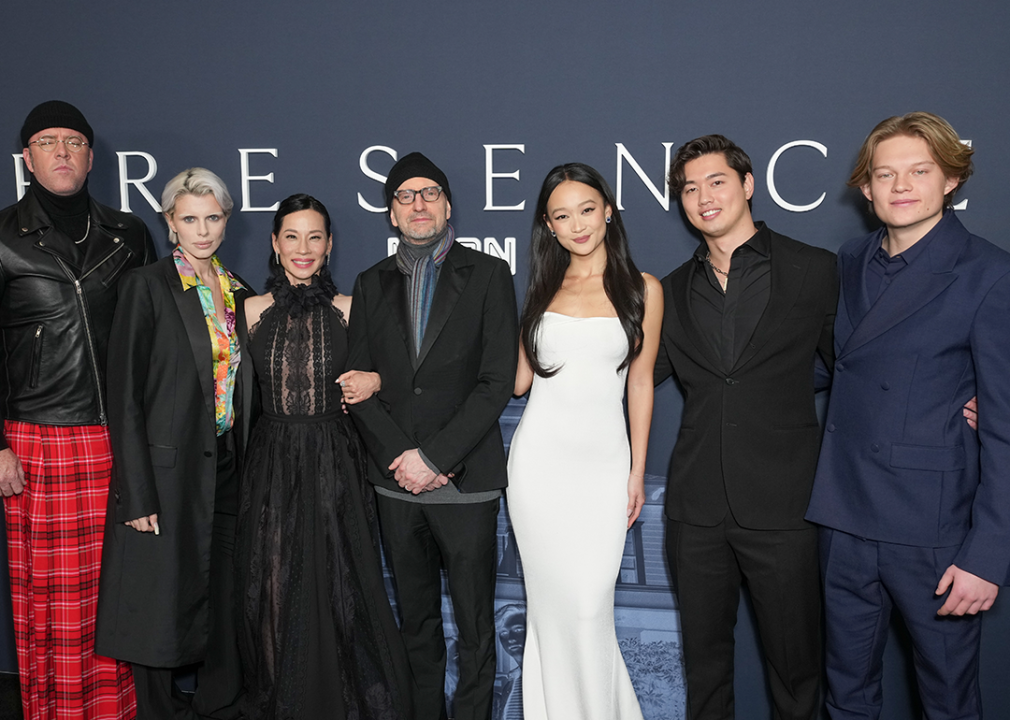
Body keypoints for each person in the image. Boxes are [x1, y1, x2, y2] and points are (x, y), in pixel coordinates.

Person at [805, 112, 1010, 720]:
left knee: (947, 701)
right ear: (865, 188)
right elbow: (836, 364)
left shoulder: (989, 274)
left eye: (919, 171)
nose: (900, 186)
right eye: (884, 174)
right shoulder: (848, 259)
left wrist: (986, 555)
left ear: (950, 179)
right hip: (842, 516)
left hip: (935, 530)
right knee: (846, 693)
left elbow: (1003, 428)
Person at [654, 135, 836, 720]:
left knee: (797, 672)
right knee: (704, 674)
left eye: (717, 182)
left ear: (748, 185)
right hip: (696, 508)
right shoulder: (670, 290)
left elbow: (859, 368)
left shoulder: (814, 269)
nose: (704, 197)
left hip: (785, 506)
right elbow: (626, 376)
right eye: (689, 188)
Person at [346, 152, 518, 720]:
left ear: (447, 205)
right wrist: (403, 458)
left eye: (429, 193)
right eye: (405, 196)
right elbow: (356, 385)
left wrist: (437, 458)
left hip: (465, 483)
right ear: (391, 214)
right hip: (397, 485)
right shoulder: (369, 284)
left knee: (474, 628)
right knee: (415, 624)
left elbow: (496, 383)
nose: (418, 204)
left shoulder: (491, 275)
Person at [0, 100, 155, 720]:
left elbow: (156, 334)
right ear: (28, 159)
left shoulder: (129, 233)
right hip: (36, 438)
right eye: (47, 141)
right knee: (55, 601)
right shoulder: (3, 236)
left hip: (118, 438)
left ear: (91, 156)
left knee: (118, 592)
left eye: (73, 141)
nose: (62, 151)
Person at [235, 193, 411, 720]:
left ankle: (342, 700)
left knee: (342, 577)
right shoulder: (247, 311)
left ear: (330, 244)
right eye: (292, 236)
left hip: (337, 454)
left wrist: (378, 377)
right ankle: (284, 698)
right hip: (269, 459)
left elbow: (396, 379)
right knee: (273, 580)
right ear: (274, 242)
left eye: (315, 236)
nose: (303, 248)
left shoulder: (353, 309)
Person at [507, 162, 662, 720]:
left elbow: (640, 384)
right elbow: (519, 380)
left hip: (602, 468)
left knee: (589, 606)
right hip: (537, 468)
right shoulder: (540, 289)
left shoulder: (644, 290)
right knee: (550, 610)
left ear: (609, 210)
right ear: (548, 227)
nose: (577, 224)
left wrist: (636, 471)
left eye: (587, 209)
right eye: (562, 216)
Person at [95, 168, 251, 719]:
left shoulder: (240, 292)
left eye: (212, 218)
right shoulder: (147, 286)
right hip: (165, 472)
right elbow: (124, 394)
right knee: (160, 601)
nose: (202, 230)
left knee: (223, 592)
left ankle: (218, 704)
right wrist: (136, 492)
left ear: (226, 221)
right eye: (189, 219)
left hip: (227, 465)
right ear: (170, 224)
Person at [492, 603, 526, 720]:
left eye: (517, 629)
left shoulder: (549, 676)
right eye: (504, 633)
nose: (510, 639)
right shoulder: (511, 682)